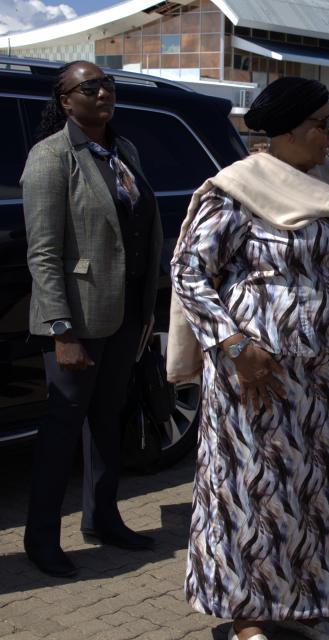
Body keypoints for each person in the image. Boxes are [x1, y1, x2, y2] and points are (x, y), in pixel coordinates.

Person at [170, 77, 329, 640]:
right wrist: (235, 347)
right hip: (258, 377)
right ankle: (248, 616)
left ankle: (305, 607)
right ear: (287, 129)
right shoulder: (238, 189)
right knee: (254, 496)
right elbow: (187, 272)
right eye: (322, 124)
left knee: (318, 497)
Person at [21, 61, 162, 578]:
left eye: (108, 84)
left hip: (122, 315)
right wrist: (62, 330)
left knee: (108, 423)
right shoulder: (51, 158)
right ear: (65, 100)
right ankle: (40, 539)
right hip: (77, 322)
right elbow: (43, 253)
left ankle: (102, 518)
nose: (103, 92)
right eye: (90, 86)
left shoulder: (124, 151)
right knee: (62, 432)